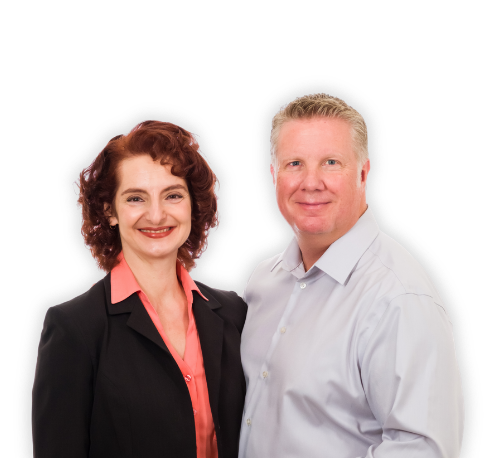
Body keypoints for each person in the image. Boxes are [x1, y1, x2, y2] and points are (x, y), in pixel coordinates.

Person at [238, 94, 464, 458]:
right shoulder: (262, 283)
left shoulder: (399, 298)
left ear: (362, 173)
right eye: (295, 163)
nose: (311, 182)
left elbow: (422, 450)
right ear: (274, 175)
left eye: (331, 163)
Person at [32, 120, 247, 458]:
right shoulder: (75, 328)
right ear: (110, 211)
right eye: (135, 198)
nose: (156, 215)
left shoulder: (233, 313)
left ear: (193, 204)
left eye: (173, 195)